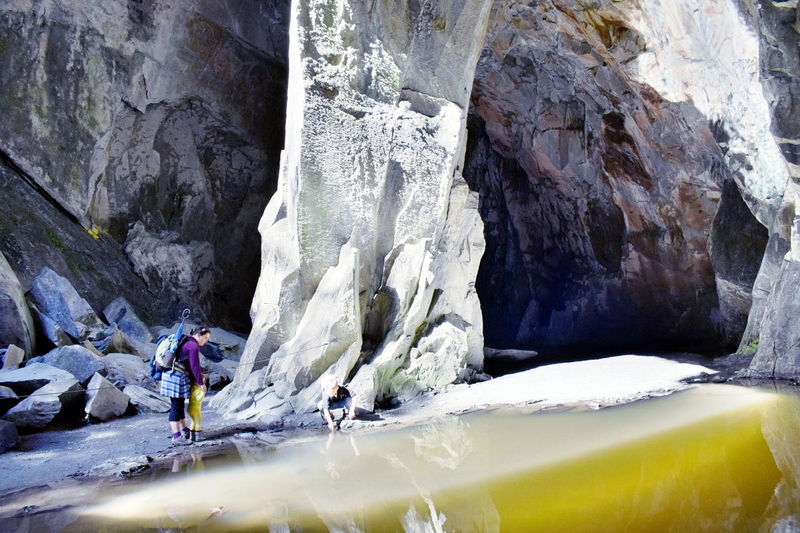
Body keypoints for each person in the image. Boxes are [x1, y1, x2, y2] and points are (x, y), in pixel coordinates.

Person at [160, 326, 210, 445]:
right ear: (198, 335)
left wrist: (198, 375)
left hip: (172, 375)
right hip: (175, 377)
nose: (206, 341)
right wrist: (200, 383)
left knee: (180, 404)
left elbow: (188, 363)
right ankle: (176, 436)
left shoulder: (186, 341)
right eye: (205, 338)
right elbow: (194, 366)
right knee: (176, 406)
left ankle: (184, 429)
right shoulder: (193, 346)